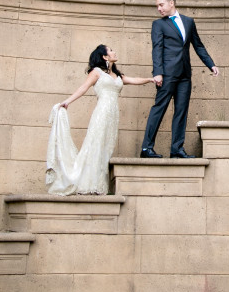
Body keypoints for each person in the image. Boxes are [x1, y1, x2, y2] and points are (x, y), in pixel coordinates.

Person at [47, 45, 154, 195]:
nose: (114, 51)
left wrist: (150, 79)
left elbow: (134, 80)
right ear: (104, 56)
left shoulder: (117, 75)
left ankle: (97, 183)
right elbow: (83, 88)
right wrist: (67, 102)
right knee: (95, 145)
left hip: (113, 116)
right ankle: (88, 184)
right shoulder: (96, 72)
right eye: (111, 50)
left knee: (106, 147)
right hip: (102, 113)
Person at [140, 0, 219, 158]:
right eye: (157, 6)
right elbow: (157, 50)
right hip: (167, 74)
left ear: (171, 3)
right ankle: (146, 148)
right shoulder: (158, 25)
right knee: (159, 109)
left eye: (161, 5)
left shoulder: (188, 22)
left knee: (181, 111)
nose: (159, 9)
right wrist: (158, 73)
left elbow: (198, 46)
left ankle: (177, 149)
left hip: (184, 74)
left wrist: (211, 64)